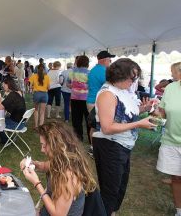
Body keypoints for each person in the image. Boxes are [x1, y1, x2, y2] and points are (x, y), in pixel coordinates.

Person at [92, 58, 156, 216]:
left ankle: (111, 212)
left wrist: (144, 108)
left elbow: (125, 114)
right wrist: (138, 124)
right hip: (110, 146)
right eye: (133, 77)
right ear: (120, 75)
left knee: (119, 187)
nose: (134, 81)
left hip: (122, 146)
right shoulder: (107, 94)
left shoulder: (122, 91)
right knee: (110, 189)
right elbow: (107, 128)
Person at [20, 121, 97, 216]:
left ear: (57, 146)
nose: (42, 150)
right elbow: (45, 166)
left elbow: (58, 214)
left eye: (44, 145)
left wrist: (37, 183)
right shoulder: (61, 160)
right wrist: (32, 164)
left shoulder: (68, 174)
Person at [155, 62, 181, 216]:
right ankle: (179, 210)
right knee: (176, 177)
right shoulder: (171, 88)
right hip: (171, 141)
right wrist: (155, 116)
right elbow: (162, 112)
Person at [68, 55, 90, 141]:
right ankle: (90, 137)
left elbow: (68, 84)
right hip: (86, 99)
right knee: (88, 119)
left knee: (76, 119)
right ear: (87, 63)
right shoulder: (89, 73)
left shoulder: (72, 72)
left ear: (78, 62)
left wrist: (74, 86)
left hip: (74, 98)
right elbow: (90, 85)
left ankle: (78, 137)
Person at [0, 77, 26, 143]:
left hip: (16, 124)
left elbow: (0, 107)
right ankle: (6, 137)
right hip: (22, 122)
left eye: (4, 85)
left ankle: (5, 140)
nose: (3, 86)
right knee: (3, 118)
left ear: (8, 85)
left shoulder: (12, 95)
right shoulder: (18, 92)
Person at [29, 64, 50, 129]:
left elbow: (30, 86)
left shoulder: (33, 76)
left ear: (37, 69)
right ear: (44, 69)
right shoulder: (47, 77)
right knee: (42, 112)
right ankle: (41, 126)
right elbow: (49, 88)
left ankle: (36, 126)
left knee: (36, 110)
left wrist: (34, 87)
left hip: (37, 94)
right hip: (44, 95)